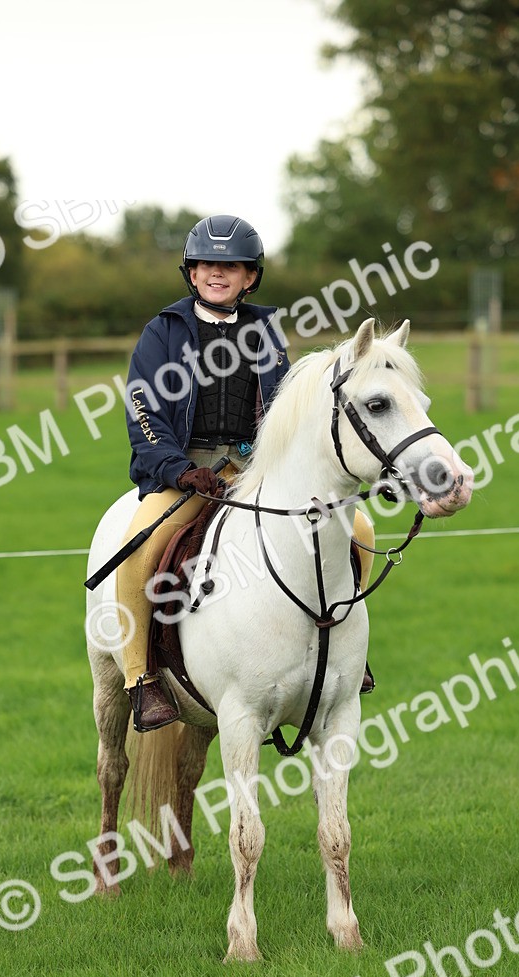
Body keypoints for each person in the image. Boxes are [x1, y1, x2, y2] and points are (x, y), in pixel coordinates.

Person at [117, 214, 375, 733]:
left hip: (258, 469)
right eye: (208, 265)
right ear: (191, 273)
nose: (218, 274)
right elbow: (143, 412)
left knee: (361, 530)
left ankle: (349, 654)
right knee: (139, 546)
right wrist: (178, 470)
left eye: (230, 266)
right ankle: (140, 677)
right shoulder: (162, 332)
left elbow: (289, 409)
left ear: (250, 276)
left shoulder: (266, 331)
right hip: (186, 470)